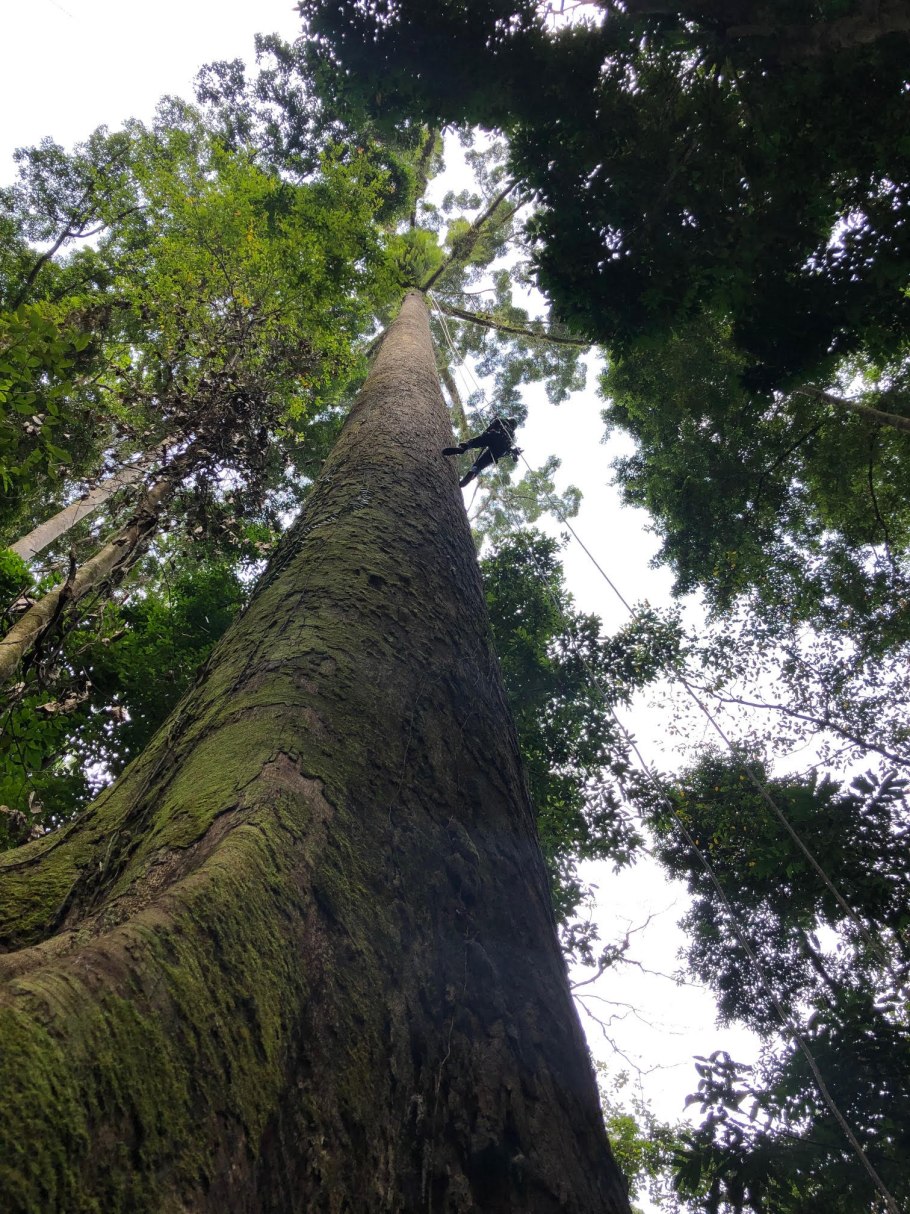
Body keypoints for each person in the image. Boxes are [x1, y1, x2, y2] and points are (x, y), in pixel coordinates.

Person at [442, 417, 521, 487]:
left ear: (509, 420)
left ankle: (463, 448)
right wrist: (513, 452)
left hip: (494, 436)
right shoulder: (512, 436)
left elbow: (492, 426)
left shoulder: (502, 421)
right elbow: (507, 451)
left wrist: (485, 435)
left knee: (473, 442)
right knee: (480, 464)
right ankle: (474, 471)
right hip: (501, 449)